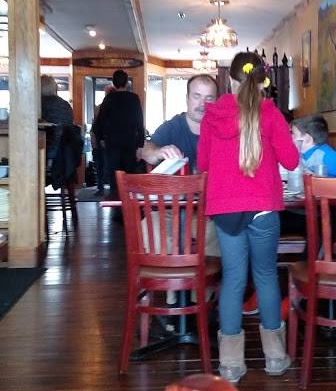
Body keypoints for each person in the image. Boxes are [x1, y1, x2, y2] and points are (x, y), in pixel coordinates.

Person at [198, 52, 299, 383]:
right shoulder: (270, 113)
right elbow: (291, 161)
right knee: (266, 275)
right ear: (262, 79)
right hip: (263, 207)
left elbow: (203, 163)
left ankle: (230, 364)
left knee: (233, 279)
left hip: (225, 209)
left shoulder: (213, 115)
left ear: (230, 79)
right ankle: (275, 356)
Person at [138, 74, 220, 260]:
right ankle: (169, 278)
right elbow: (146, 151)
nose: (202, 104)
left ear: (216, 102)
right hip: (167, 209)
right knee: (152, 231)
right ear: (187, 98)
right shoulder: (172, 127)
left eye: (209, 98)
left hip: (206, 211)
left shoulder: (221, 130)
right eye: (197, 96)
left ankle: (204, 279)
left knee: (223, 230)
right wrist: (158, 151)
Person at [91, 70, 144, 200]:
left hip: (112, 144)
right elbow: (139, 122)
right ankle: (129, 205)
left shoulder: (109, 99)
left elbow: (99, 123)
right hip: (130, 143)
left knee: (114, 177)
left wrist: (101, 139)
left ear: (114, 83)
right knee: (129, 176)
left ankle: (116, 205)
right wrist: (140, 145)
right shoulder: (134, 98)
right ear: (126, 82)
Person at [40, 75, 81, 193]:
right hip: (66, 155)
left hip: (47, 152)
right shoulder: (65, 105)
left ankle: (31, 197)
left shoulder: (38, 104)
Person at [290, 114, 336, 178]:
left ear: (308, 138)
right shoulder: (298, 153)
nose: (290, 137)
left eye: (293, 134)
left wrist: (315, 178)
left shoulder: (329, 156)